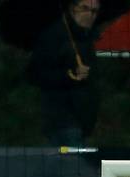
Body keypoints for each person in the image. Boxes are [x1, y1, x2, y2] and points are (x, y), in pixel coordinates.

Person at [29, 0, 100, 147]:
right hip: (63, 121)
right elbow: (35, 74)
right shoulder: (53, 36)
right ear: (72, 9)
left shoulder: (87, 38)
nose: (90, 15)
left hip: (81, 121)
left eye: (94, 11)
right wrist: (70, 76)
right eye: (85, 8)